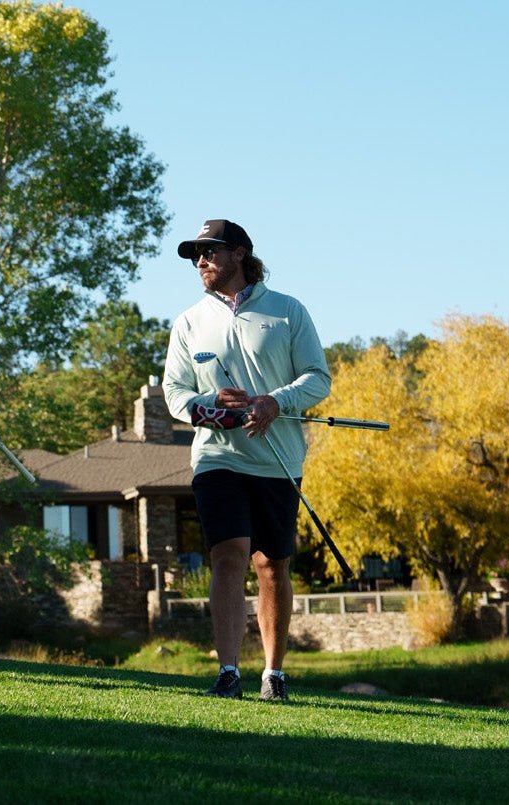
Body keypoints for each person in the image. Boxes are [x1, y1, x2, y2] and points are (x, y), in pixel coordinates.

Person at [161, 219, 331, 703]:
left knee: (271, 565)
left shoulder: (287, 311)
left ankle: (273, 675)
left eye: (209, 251)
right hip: (217, 457)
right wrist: (209, 405)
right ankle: (229, 672)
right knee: (228, 554)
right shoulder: (189, 322)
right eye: (195, 255)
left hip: (278, 460)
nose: (200, 261)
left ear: (239, 254)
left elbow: (318, 378)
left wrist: (275, 401)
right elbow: (175, 392)